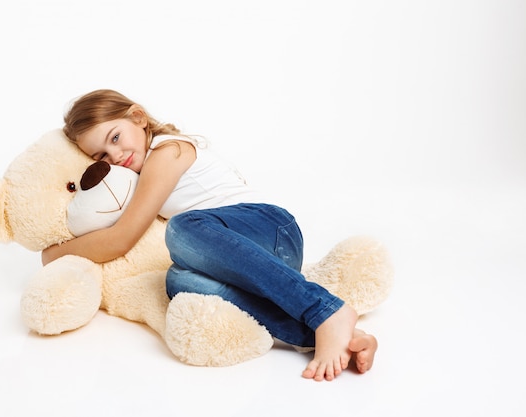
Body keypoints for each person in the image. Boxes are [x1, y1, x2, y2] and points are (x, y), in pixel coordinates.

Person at [42, 89, 378, 381]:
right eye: (101, 155)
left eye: (115, 137)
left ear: (138, 117)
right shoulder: (140, 174)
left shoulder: (167, 151)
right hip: (255, 262)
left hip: (270, 228)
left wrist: (53, 254)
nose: (114, 156)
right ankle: (333, 337)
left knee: (183, 228)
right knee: (178, 281)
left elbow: (122, 238)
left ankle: (325, 309)